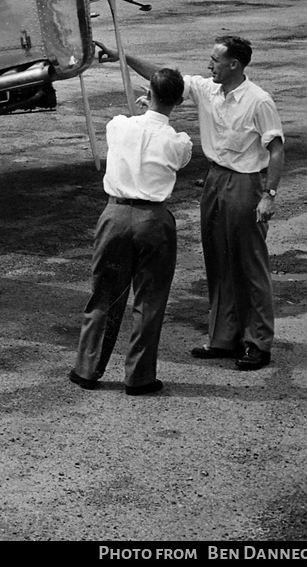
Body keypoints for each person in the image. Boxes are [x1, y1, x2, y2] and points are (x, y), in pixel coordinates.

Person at [98, 35, 285, 371]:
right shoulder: (206, 88)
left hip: (246, 182)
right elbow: (164, 79)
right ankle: (224, 338)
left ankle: (258, 342)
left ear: (234, 65)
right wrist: (122, 57)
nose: (208, 64)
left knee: (249, 263)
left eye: (215, 60)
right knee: (217, 258)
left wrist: (268, 196)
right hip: (215, 179)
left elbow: (276, 149)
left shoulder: (259, 101)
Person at [70, 68, 192, 395]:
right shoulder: (179, 142)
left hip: (116, 213)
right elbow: (178, 157)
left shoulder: (118, 125)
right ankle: (139, 377)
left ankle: (87, 368)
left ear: (148, 93)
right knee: (150, 299)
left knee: (104, 293)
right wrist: (154, 110)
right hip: (154, 218)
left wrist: (142, 111)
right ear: (179, 101)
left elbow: (127, 127)